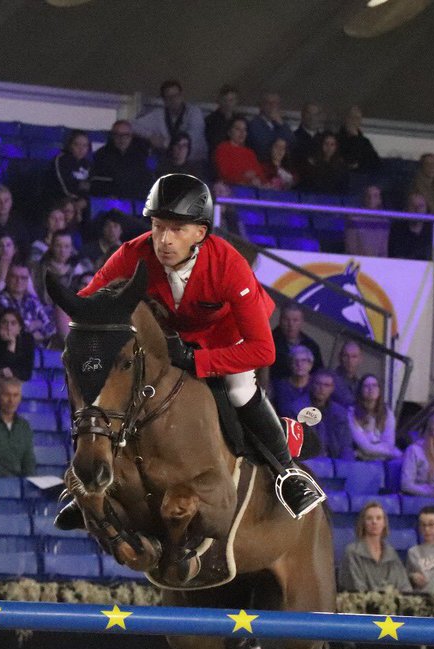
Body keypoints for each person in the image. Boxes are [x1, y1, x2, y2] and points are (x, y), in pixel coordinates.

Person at [66, 173, 326, 520]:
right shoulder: (133, 253)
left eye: (177, 229)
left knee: (238, 390)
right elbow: (89, 306)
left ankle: (287, 473)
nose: (164, 240)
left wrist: (197, 359)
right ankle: (96, 484)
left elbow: (264, 351)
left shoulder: (228, 264)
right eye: (158, 227)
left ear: (200, 233)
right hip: (172, 335)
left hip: (229, 335)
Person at [338, 502, 411, 592]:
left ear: (384, 523)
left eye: (379, 518)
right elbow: (355, 588)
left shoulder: (391, 553)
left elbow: (404, 586)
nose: (374, 522)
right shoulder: (352, 552)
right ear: (363, 523)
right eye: (369, 518)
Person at [134, 79, 208, 164]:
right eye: (169, 97)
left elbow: (193, 136)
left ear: (181, 96)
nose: (173, 100)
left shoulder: (194, 112)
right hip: (168, 160)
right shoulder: (159, 114)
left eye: (176, 96)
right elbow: (133, 126)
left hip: (192, 161)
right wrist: (150, 137)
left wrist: (166, 143)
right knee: (150, 159)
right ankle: (149, 176)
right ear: (164, 100)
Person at [0, 263, 55, 346]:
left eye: (23, 278)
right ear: (7, 278)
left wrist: (37, 326)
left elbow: (50, 327)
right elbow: (15, 330)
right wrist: (36, 325)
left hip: (38, 349)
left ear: (28, 280)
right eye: (14, 277)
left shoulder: (32, 300)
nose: (19, 281)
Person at [90, 120, 152, 198]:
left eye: (125, 135)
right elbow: (98, 183)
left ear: (131, 136)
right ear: (112, 136)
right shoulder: (101, 155)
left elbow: (146, 181)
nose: (122, 139)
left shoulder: (141, 155)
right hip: (109, 200)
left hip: (135, 199)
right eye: (117, 135)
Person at [349, 373, 401, 461]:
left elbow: (389, 444)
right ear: (360, 390)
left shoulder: (387, 413)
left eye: (374, 385)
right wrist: (394, 453)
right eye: (366, 386)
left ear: (379, 390)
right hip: (361, 461)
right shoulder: (351, 413)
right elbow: (365, 447)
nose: (371, 389)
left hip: (384, 460)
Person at [305, 371, 353, 461]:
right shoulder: (297, 409)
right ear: (311, 385)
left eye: (326, 385)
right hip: (309, 462)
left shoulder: (340, 412)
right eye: (318, 384)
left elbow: (346, 444)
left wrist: (346, 467)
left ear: (332, 388)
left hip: (335, 462)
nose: (321, 388)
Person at [270, 304, 324, 381]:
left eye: (295, 320)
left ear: (302, 322)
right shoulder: (269, 341)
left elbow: (318, 373)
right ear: (280, 320)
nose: (290, 324)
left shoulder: (311, 346)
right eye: (286, 319)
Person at [0, 307, 35, 383]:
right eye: (4, 322)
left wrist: (12, 344)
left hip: (16, 381)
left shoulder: (27, 340)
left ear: (19, 328)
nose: (8, 327)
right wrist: (9, 349)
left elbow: (26, 372)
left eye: (13, 323)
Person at [213, 116, 263, 188]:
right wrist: (245, 177)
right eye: (238, 129)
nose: (242, 133)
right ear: (229, 132)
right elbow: (224, 174)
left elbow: (260, 175)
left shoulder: (250, 153)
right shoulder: (222, 148)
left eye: (244, 129)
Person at [272, 345, 314, 420]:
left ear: (310, 364)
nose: (299, 364)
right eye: (295, 360)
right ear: (290, 364)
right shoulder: (280, 386)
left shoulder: (317, 385)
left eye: (303, 360)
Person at [246, 92, 293, 161]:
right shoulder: (253, 124)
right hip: (261, 163)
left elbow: (292, 143)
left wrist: (281, 125)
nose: (272, 106)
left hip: (281, 165)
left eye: (276, 103)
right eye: (268, 103)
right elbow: (263, 145)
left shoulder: (282, 124)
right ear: (261, 106)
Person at [387, 193, 433, 260]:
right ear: (406, 209)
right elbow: (395, 257)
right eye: (413, 206)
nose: (417, 210)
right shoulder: (397, 230)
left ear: (426, 209)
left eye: (421, 206)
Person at [337, 105, 381, 174]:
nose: (354, 121)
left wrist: (356, 138)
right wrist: (355, 138)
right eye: (352, 117)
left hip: (362, 177)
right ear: (346, 119)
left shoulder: (365, 142)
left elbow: (376, 163)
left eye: (357, 118)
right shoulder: (335, 139)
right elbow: (349, 160)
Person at [203, 84, 239, 153]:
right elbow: (213, 146)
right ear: (219, 101)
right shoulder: (210, 121)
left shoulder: (240, 121)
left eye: (231, 100)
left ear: (236, 101)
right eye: (225, 100)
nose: (228, 104)